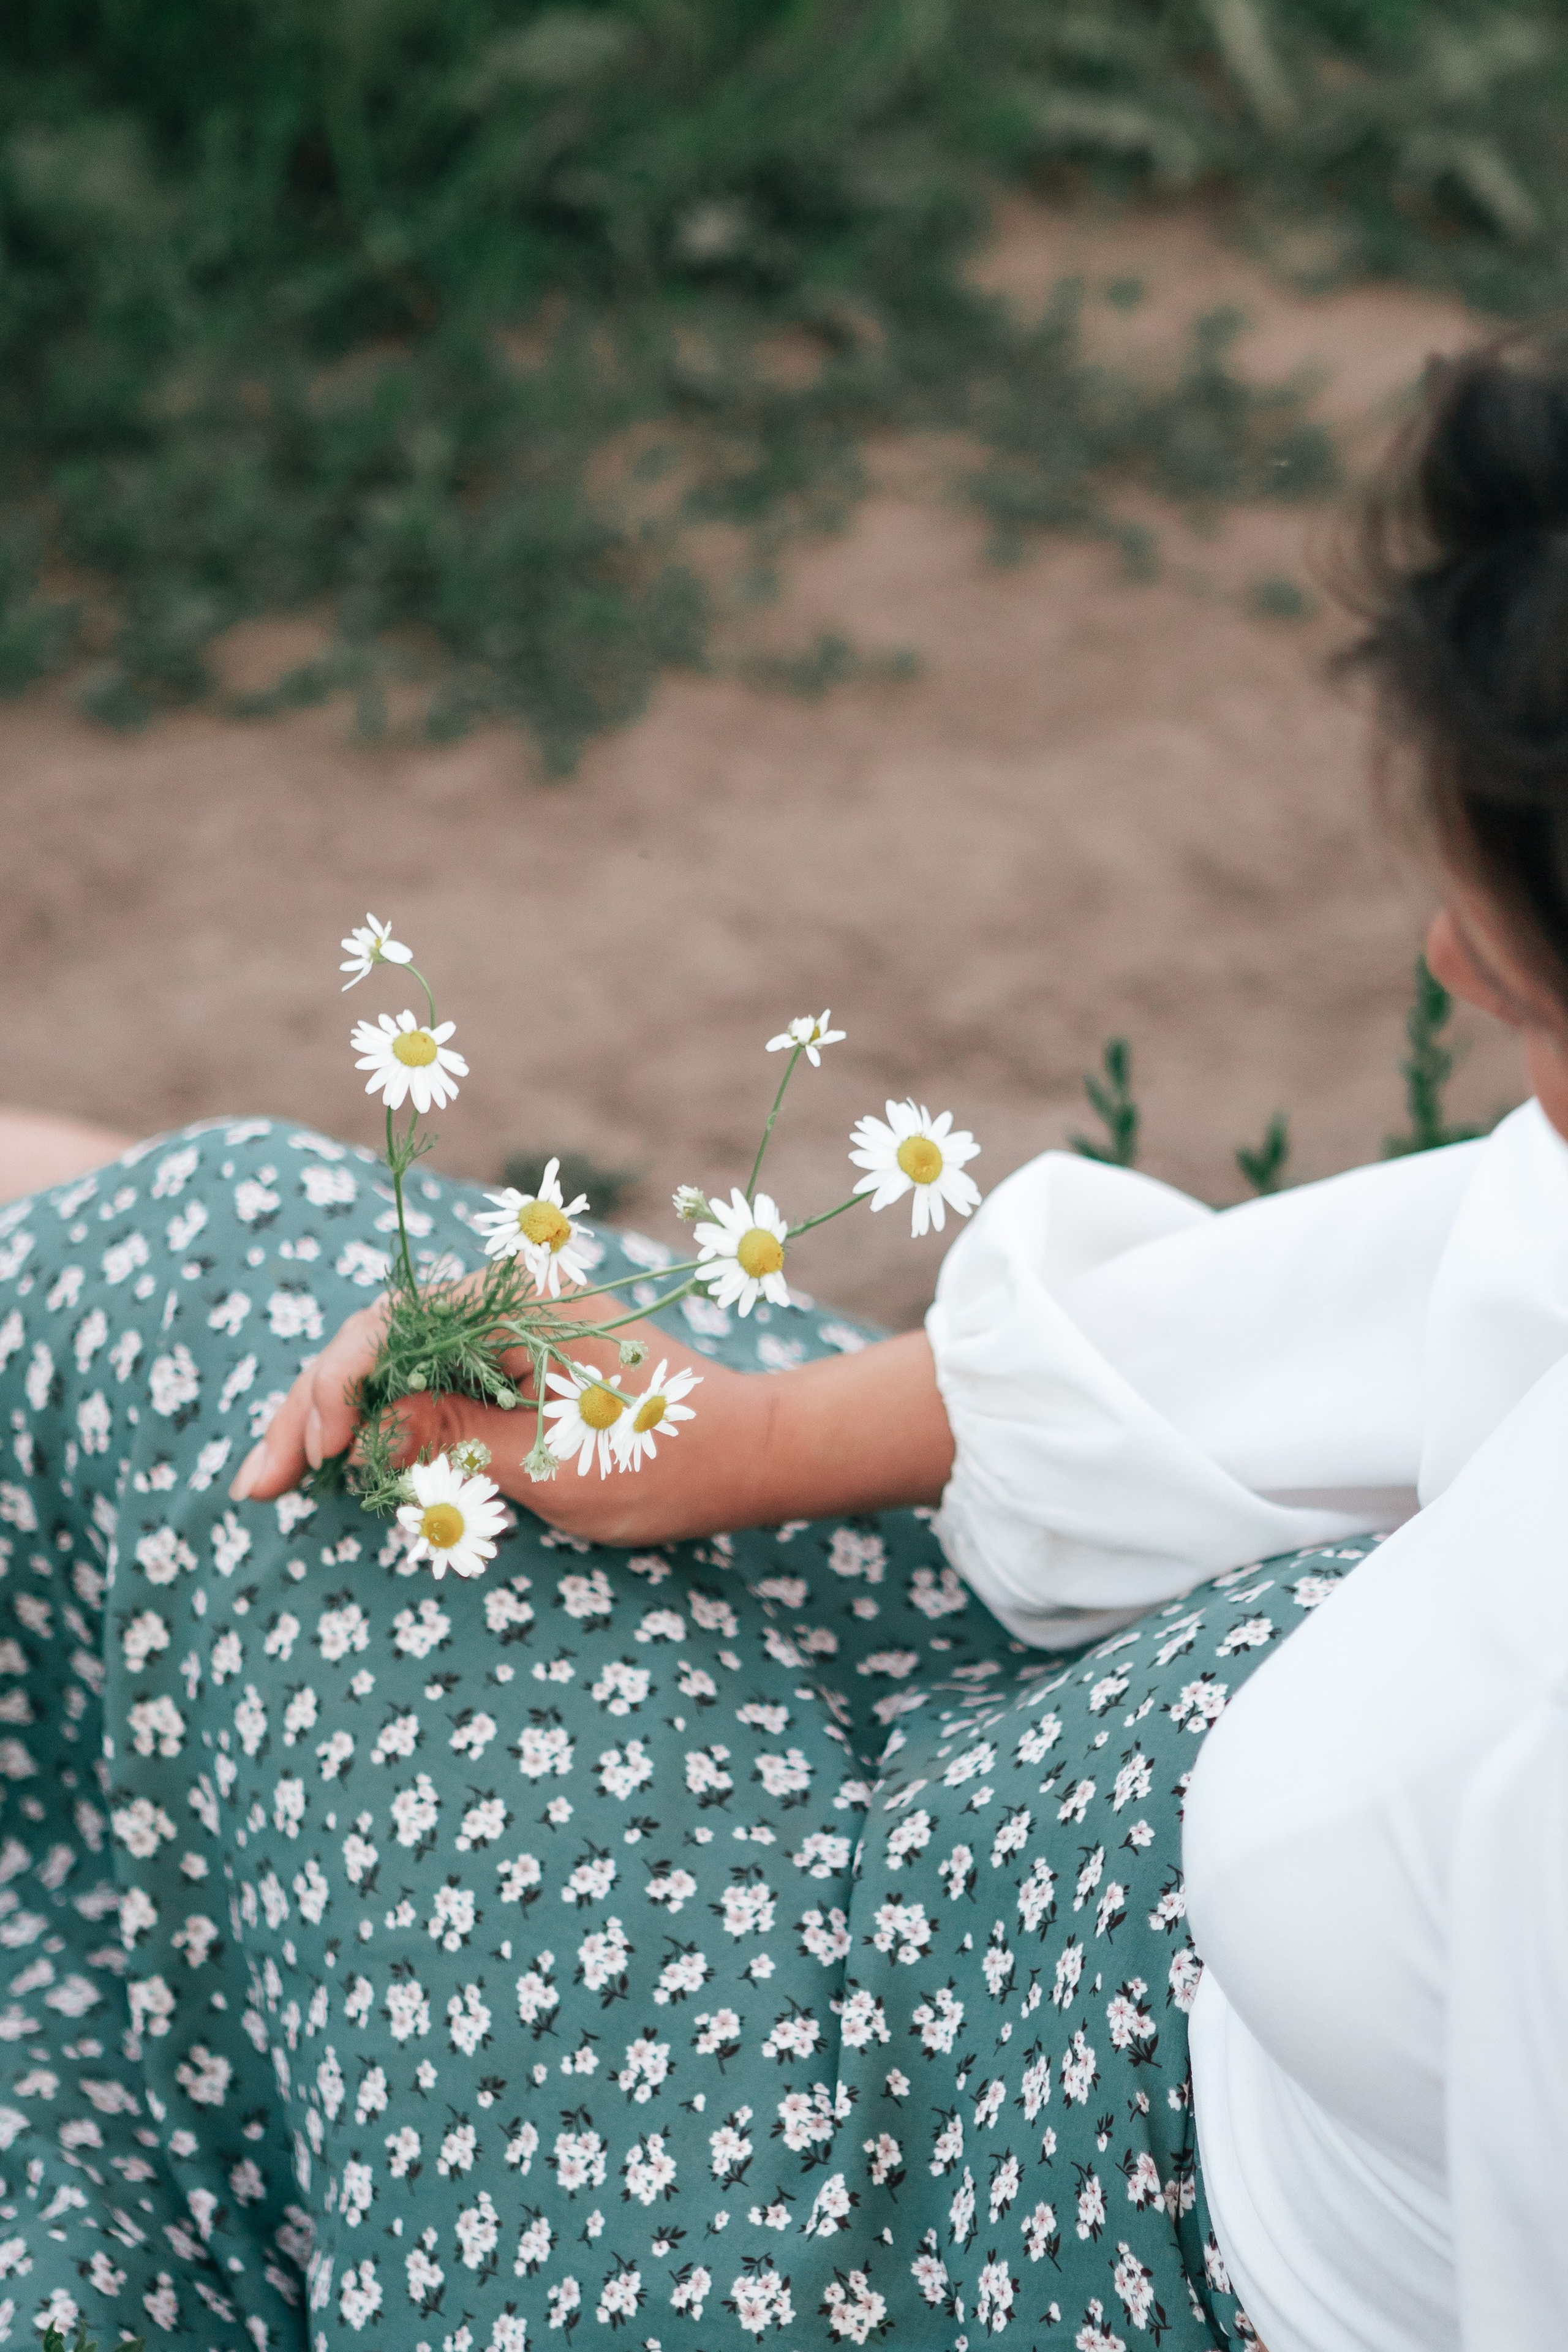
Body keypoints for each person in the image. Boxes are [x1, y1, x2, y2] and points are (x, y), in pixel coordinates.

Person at [0, 334, 1563, 2352]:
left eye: (1531, 988)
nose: (1450, 964)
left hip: (884, 2239)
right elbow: (1449, 1270)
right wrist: (750, 1441)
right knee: (217, 1290)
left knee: (235, 1427)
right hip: (1024, 1773)